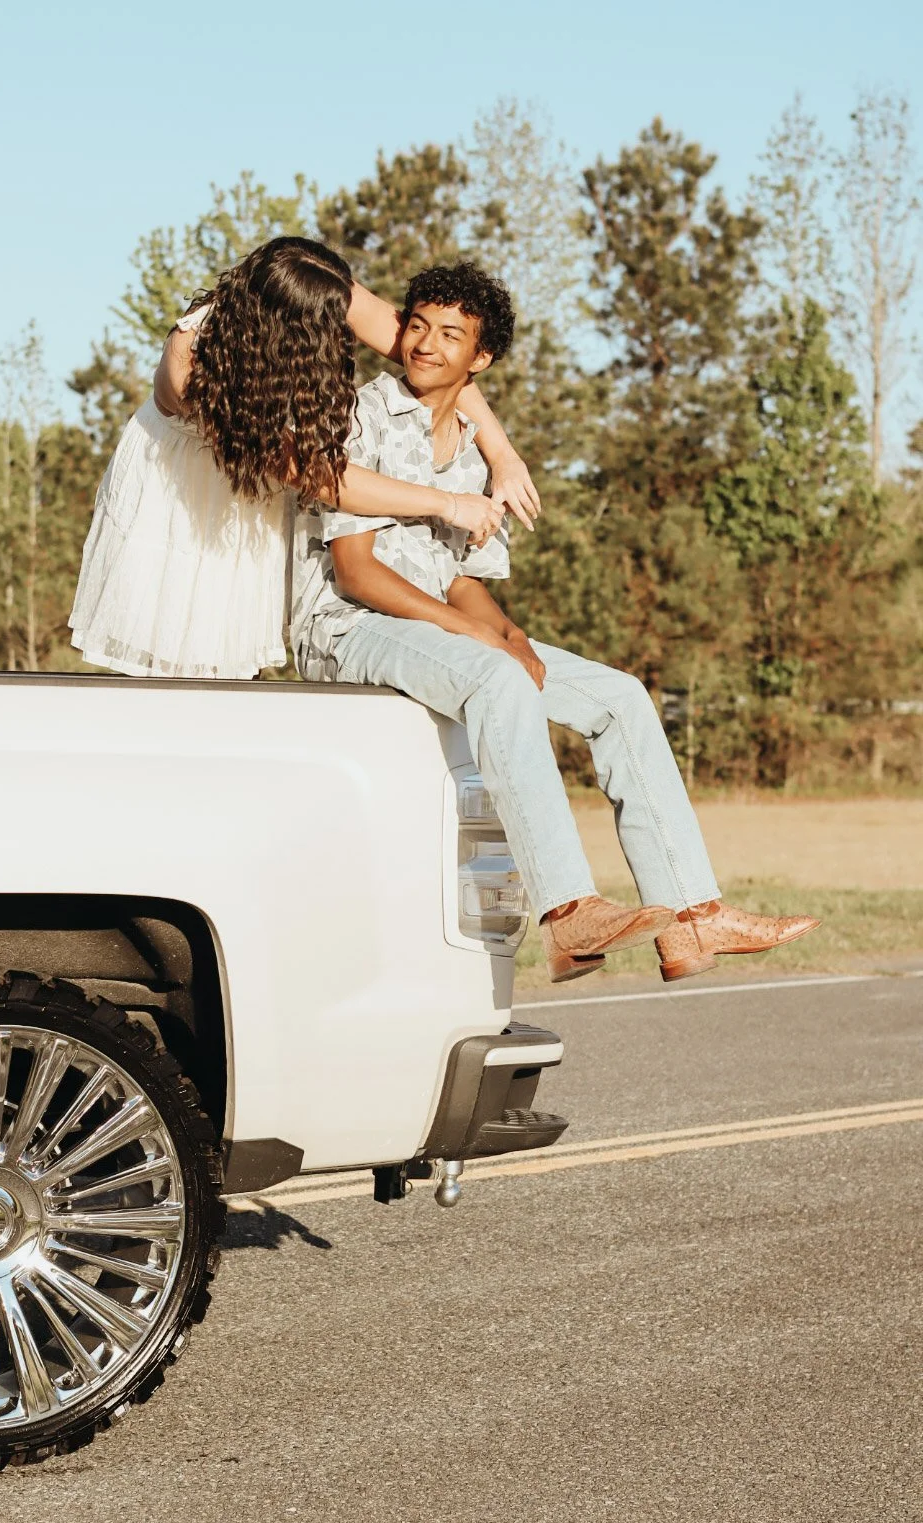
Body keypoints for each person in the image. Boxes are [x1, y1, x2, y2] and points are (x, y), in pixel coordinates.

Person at [292, 262, 820, 983]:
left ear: (480, 360)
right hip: (350, 626)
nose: (425, 344)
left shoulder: (477, 452)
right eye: (416, 326)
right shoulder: (361, 416)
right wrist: (480, 641)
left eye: (450, 335)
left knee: (620, 697)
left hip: (436, 623)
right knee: (496, 678)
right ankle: (568, 914)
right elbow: (356, 571)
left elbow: (460, 581)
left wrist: (505, 634)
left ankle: (693, 919)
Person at [69, 236, 537, 680]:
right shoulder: (192, 367)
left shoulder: (309, 280)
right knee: (188, 641)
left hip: (262, 478)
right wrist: (450, 503)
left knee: (243, 648)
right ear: (287, 323)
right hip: (184, 488)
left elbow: (434, 357)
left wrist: (503, 455)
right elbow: (327, 479)